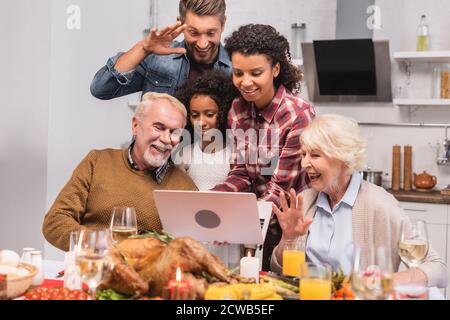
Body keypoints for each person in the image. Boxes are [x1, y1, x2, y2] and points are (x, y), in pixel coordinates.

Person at [270, 114, 448, 288]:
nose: (304, 164)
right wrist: (288, 239)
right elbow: (278, 268)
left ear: (344, 159)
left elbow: (438, 268)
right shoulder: (306, 200)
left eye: (315, 155)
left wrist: (385, 282)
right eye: (304, 154)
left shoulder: (380, 204)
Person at [211, 24, 316, 270]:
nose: (245, 82)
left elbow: (280, 188)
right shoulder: (237, 109)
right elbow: (241, 173)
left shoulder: (297, 115)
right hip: (257, 218)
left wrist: (240, 222)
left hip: (294, 227)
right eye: (238, 73)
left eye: (256, 73)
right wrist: (215, 199)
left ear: (275, 69)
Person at [43, 93, 197, 251]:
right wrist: (104, 246)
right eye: (159, 127)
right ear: (135, 126)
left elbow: (189, 247)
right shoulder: (97, 161)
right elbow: (55, 222)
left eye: (175, 133)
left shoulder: (185, 187)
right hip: (93, 268)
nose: (166, 139)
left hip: (146, 273)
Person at [90, 0, 231, 99]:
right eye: (193, 33)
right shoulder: (157, 58)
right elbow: (101, 89)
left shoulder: (238, 68)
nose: (202, 43)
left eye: (211, 33)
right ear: (180, 23)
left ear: (223, 24)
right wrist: (144, 48)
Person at [174, 69, 237, 190]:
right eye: (195, 115)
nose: (201, 123)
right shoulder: (185, 155)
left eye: (209, 114)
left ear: (223, 113)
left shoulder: (235, 155)